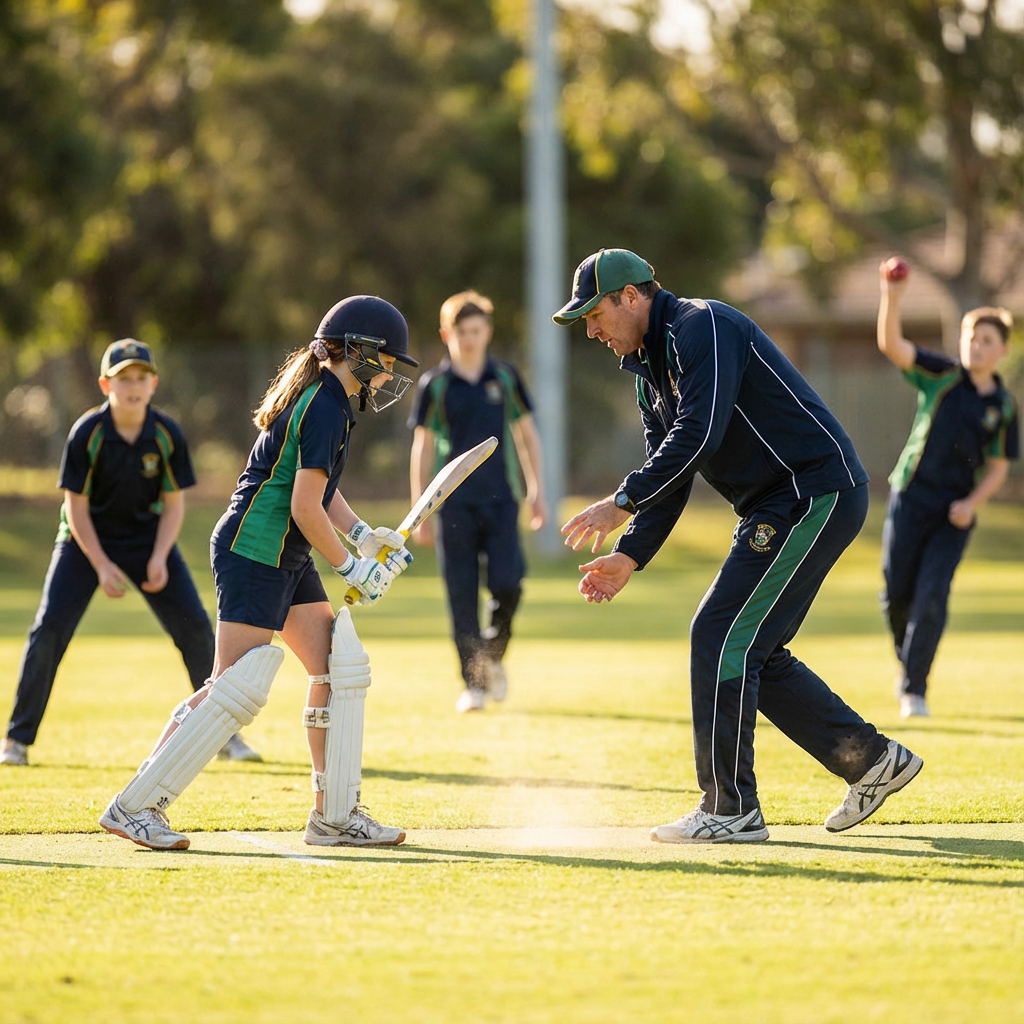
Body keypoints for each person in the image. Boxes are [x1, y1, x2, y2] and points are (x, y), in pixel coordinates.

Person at [556, 248, 923, 844]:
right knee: (752, 647)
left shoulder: (703, 326)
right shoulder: (650, 371)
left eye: (594, 314)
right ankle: (871, 760)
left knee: (720, 634)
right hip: (779, 504)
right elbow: (670, 469)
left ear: (631, 297)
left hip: (814, 491)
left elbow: (700, 434)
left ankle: (730, 810)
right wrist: (630, 553)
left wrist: (620, 501)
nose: (590, 329)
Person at [98, 296, 418, 850]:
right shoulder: (323, 404)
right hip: (256, 549)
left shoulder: (331, 399)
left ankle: (334, 816)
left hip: (285, 553)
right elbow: (302, 507)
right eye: (386, 359)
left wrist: (363, 535)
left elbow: (321, 490)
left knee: (338, 672)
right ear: (358, 353)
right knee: (233, 688)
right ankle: (136, 805)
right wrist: (351, 566)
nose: (389, 371)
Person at [0, 339, 259, 767]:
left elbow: (174, 504)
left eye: (141, 378)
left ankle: (226, 738)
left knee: (195, 628)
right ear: (106, 384)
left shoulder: (165, 433)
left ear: (154, 383)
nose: (133, 386)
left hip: (148, 541)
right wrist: (100, 565)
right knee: (48, 631)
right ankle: (16, 741)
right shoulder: (88, 433)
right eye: (123, 379)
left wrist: (158, 557)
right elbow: (75, 507)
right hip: (85, 543)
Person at [877, 264, 1018, 717]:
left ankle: (914, 689)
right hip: (910, 494)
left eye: (986, 341)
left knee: (932, 593)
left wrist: (971, 505)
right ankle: (908, 665)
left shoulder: (1002, 405)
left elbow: (998, 467)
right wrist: (892, 295)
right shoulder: (941, 374)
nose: (976, 346)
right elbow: (892, 346)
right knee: (896, 594)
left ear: (1002, 350)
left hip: (953, 512)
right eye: (971, 338)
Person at [409, 290, 546, 712]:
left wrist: (536, 489)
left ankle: (493, 653)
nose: (468, 339)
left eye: (476, 330)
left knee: (509, 584)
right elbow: (423, 448)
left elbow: (526, 436)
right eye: (460, 331)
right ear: (446, 333)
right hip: (453, 506)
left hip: (502, 501)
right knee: (461, 594)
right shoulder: (436, 385)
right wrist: (421, 511)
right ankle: (474, 684)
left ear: (487, 332)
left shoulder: (504, 377)